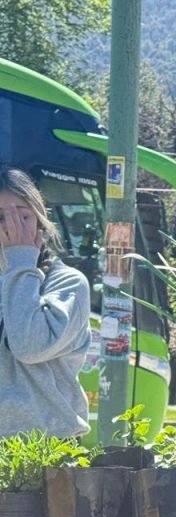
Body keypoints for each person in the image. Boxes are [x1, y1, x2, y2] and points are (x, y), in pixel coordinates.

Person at [0, 167, 90, 438]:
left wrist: (20, 259)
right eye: (0, 216)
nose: (10, 226)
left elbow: (30, 347)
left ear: (41, 222)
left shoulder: (68, 283)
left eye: (22, 216)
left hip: (47, 446)